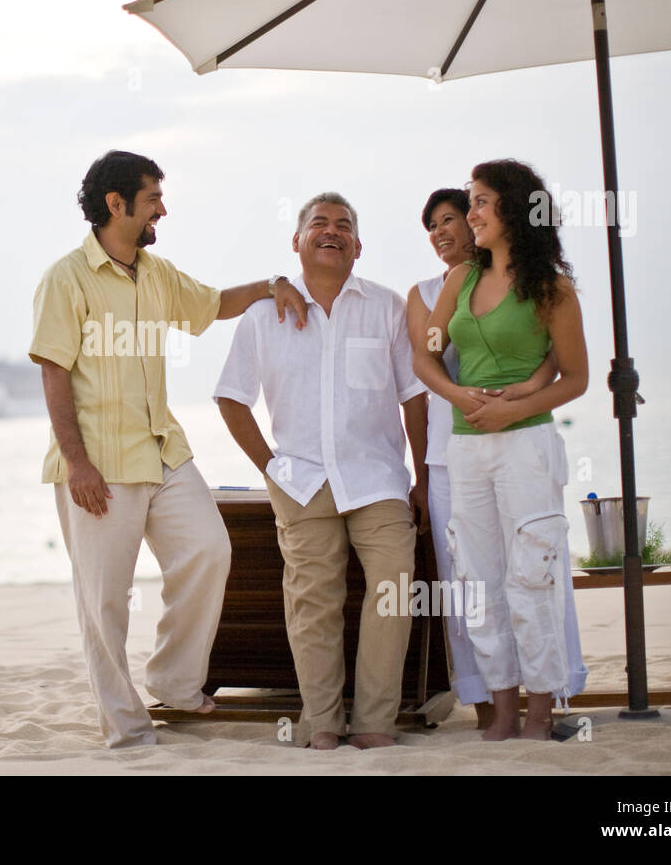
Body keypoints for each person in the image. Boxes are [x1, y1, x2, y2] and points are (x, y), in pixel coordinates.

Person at [29, 149, 309, 748]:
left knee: (208, 551)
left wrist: (272, 284)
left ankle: (175, 680)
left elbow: (212, 305)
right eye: (154, 198)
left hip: (164, 450)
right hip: (99, 464)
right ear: (116, 204)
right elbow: (53, 372)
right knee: (103, 603)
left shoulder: (156, 274)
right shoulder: (65, 278)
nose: (163, 209)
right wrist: (76, 463)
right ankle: (126, 728)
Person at [214, 193, 428, 750]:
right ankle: (324, 723)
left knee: (395, 590)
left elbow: (414, 399)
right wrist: (270, 467)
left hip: (378, 478)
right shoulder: (264, 315)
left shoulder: (385, 308)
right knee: (313, 600)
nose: (331, 231)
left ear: (358, 245)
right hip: (300, 480)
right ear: (297, 241)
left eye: (344, 226)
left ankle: (376, 723)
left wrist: (421, 476)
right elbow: (232, 398)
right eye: (319, 223)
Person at [413, 159, 589, 740]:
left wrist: (514, 406)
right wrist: (461, 396)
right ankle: (504, 710)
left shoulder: (552, 288)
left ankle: (540, 713)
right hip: (466, 451)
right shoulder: (462, 279)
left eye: (481, 202)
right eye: (471, 203)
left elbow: (576, 377)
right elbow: (426, 355)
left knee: (531, 578)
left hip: (528, 448)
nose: (471, 215)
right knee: (479, 584)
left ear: (514, 208)